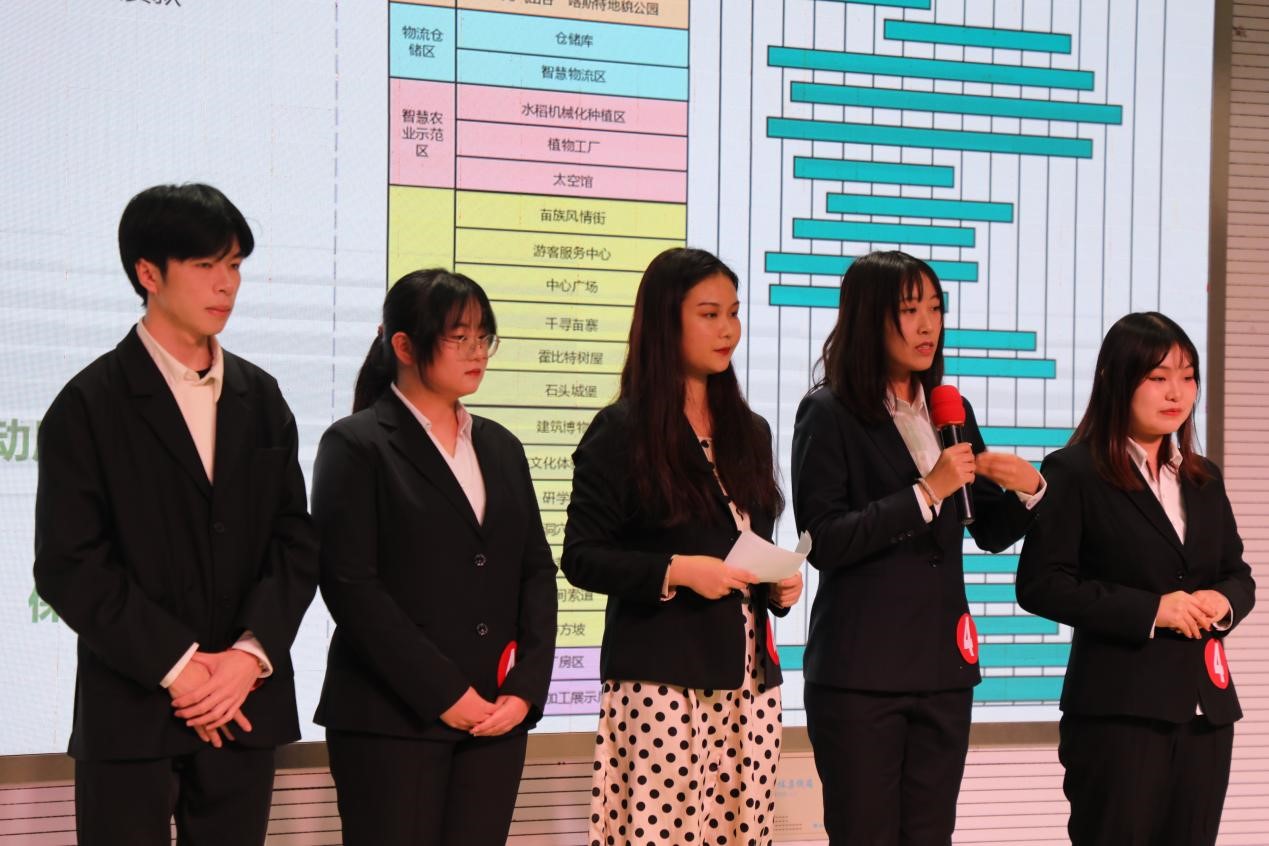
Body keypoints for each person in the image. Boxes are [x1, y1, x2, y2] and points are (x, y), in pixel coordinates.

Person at [32, 183, 319, 845]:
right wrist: (180, 667)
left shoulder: (261, 396)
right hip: (132, 712)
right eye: (205, 264)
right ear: (148, 273)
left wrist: (247, 656)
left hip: (244, 707)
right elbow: (70, 565)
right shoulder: (88, 404)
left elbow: (295, 542)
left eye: (235, 264)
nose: (226, 284)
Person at [790, 250, 1043, 845]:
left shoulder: (951, 410)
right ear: (868, 318)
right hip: (861, 675)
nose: (928, 325)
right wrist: (925, 493)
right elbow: (825, 539)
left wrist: (1031, 492)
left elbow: (986, 529)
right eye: (909, 311)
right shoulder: (828, 412)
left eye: (935, 309)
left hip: (942, 671)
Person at [562, 247, 803, 846]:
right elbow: (582, 556)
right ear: (665, 321)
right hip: (661, 683)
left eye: (734, 313)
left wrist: (779, 584)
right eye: (709, 314)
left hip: (750, 684)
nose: (728, 330)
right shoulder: (622, 430)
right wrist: (675, 570)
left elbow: (749, 537)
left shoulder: (749, 431)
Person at [311, 269, 557, 846]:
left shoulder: (500, 445)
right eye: (458, 337)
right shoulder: (356, 443)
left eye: (484, 337)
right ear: (403, 346)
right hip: (392, 720)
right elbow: (351, 586)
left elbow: (536, 571)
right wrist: (446, 694)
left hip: (496, 718)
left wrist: (524, 689)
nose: (477, 351)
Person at [1016, 312, 1254, 846]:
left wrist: (1223, 601)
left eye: (1188, 376)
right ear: (1116, 379)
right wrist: (1153, 610)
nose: (1177, 392)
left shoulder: (1203, 476)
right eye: (1158, 377)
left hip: (1206, 712)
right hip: (1118, 713)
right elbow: (1041, 583)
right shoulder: (1074, 471)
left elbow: (1238, 574)